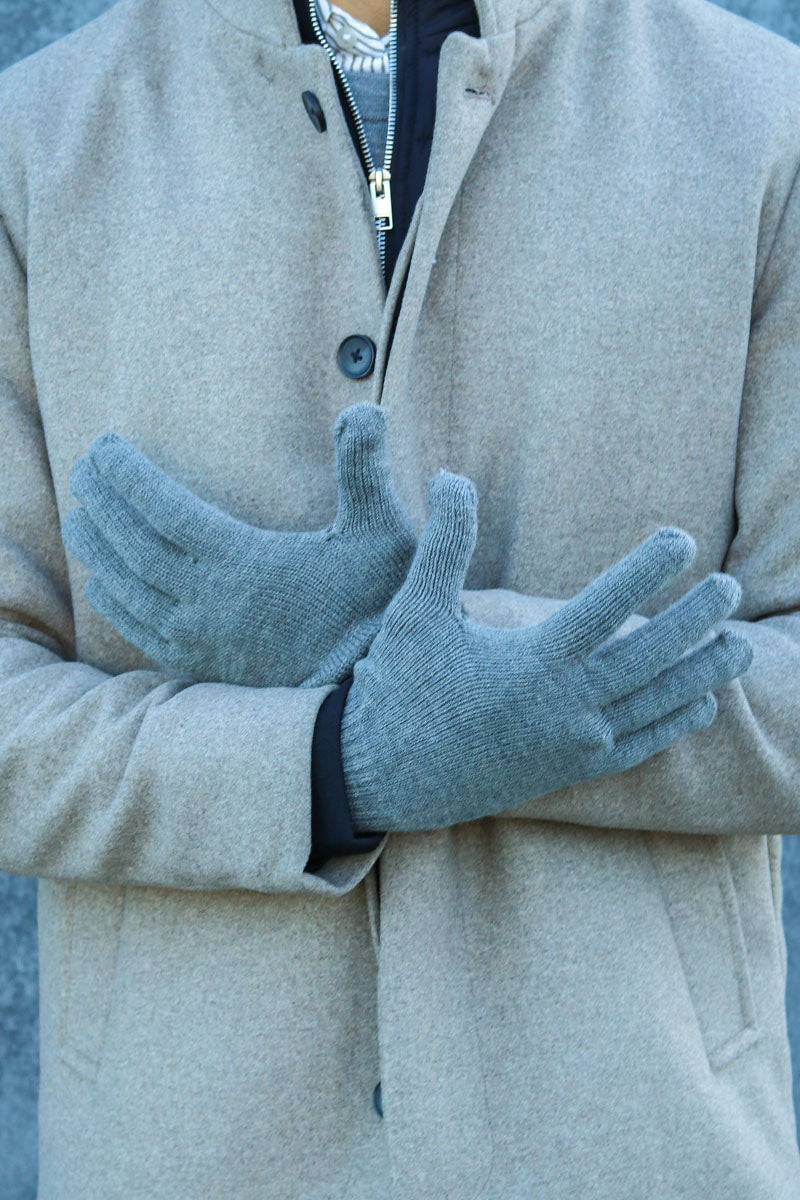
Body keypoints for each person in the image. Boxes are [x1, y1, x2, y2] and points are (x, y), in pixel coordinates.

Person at [0, 0, 798, 1194]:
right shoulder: (35, 142)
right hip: (191, 1156)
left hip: (633, 1147)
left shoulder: (764, 119)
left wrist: (448, 662)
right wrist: (334, 765)